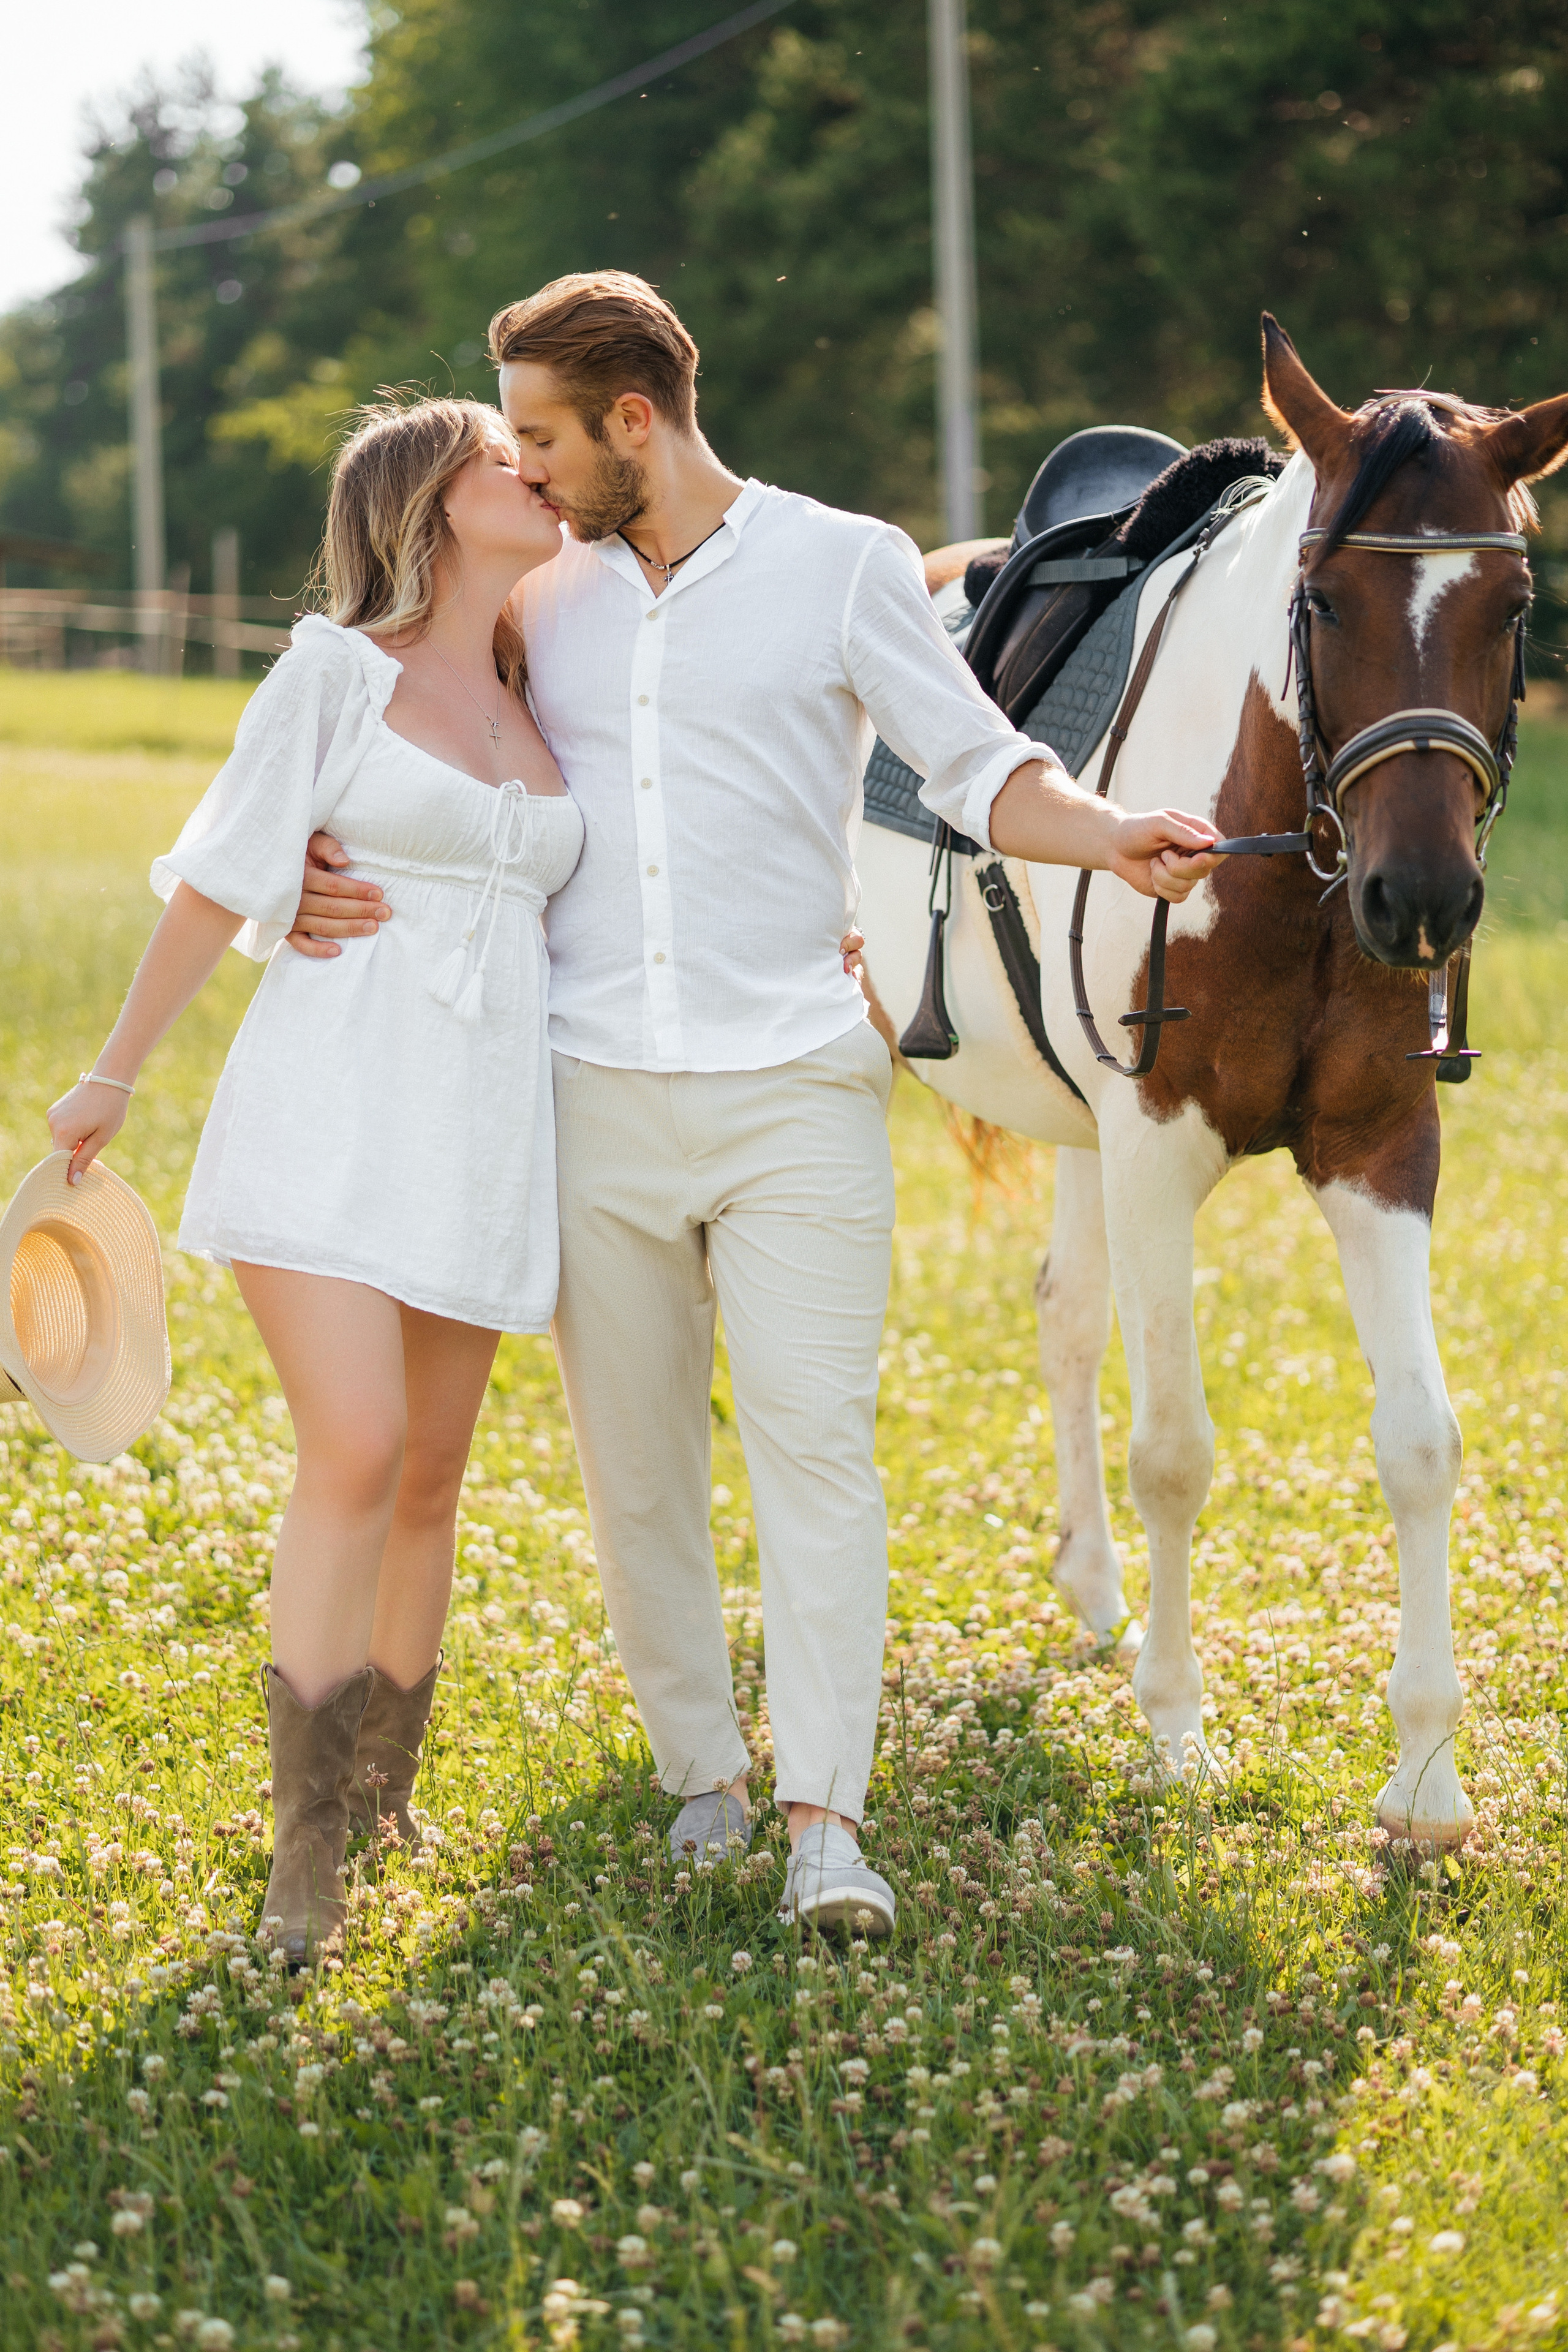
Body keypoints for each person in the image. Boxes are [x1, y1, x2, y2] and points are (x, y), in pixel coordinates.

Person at [287, 273, 1220, 1938]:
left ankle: (827, 1824)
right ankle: (703, 1781)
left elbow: (975, 762)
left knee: (818, 1457)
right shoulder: (534, 587)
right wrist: (298, 862)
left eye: (550, 438)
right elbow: (389, 717)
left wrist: (1107, 829)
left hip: (796, 1089)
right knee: (634, 1473)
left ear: (637, 421)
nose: (530, 468)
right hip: (584, 1095)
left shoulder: (842, 564)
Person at [47, 396, 583, 1964]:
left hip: (483, 1134)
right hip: (329, 1114)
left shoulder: (539, 691)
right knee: (355, 1449)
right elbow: (222, 873)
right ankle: (305, 1851)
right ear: (425, 502)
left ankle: (389, 1795)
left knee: (432, 1474)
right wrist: (116, 1068)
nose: (537, 476)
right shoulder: (332, 674)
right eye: (507, 459)